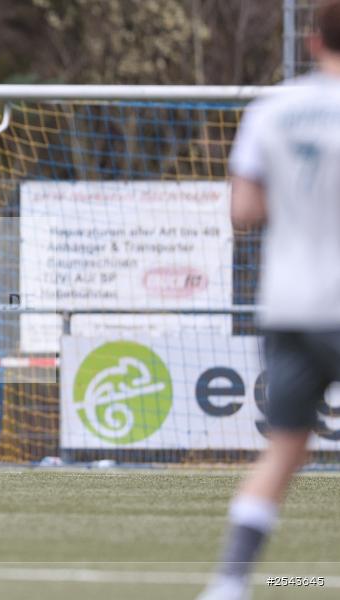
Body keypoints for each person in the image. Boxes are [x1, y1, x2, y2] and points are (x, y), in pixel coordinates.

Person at [198, 2, 340, 599]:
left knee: (283, 449)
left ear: (312, 41)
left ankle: (230, 584)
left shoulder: (271, 110)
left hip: (289, 304)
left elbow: (244, 213)